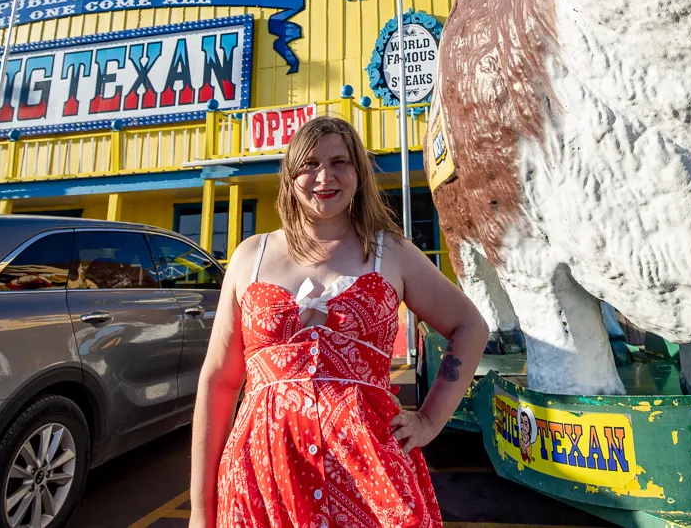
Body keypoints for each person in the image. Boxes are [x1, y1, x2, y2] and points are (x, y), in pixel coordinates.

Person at [187, 116, 488, 528]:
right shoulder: (250, 256)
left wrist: (430, 420)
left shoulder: (392, 253)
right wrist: (201, 511)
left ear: (358, 173)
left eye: (339, 162)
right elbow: (219, 380)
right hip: (262, 478)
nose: (324, 176)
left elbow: (470, 326)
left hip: (369, 477)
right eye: (309, 163)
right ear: (290, 174)